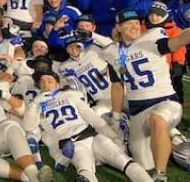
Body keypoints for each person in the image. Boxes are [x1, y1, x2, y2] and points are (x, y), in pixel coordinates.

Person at [102, 8, 190, 181]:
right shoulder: (111, 51)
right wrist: (116, 117)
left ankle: (160, 175)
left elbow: (179, 40)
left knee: (157, 120)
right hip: (137, 111)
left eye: (136, 23)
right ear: (119, 27)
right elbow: (117, 86)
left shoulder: (152, 38)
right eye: (129, 23)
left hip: (165, 102)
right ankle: (173, 142)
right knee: (144, 164)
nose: (135, 26)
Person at [24, 70, 152, 182]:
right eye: (42, 82)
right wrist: (35, 103)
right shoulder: (36, 104)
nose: (45, 84)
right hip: (73, 144)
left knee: (124, 161)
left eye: (49, 80)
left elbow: (92, 117)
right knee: (84, 175)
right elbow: (29, 127)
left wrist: (113, 136)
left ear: (58, 84)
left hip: (92, 135)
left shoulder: (70, 95)